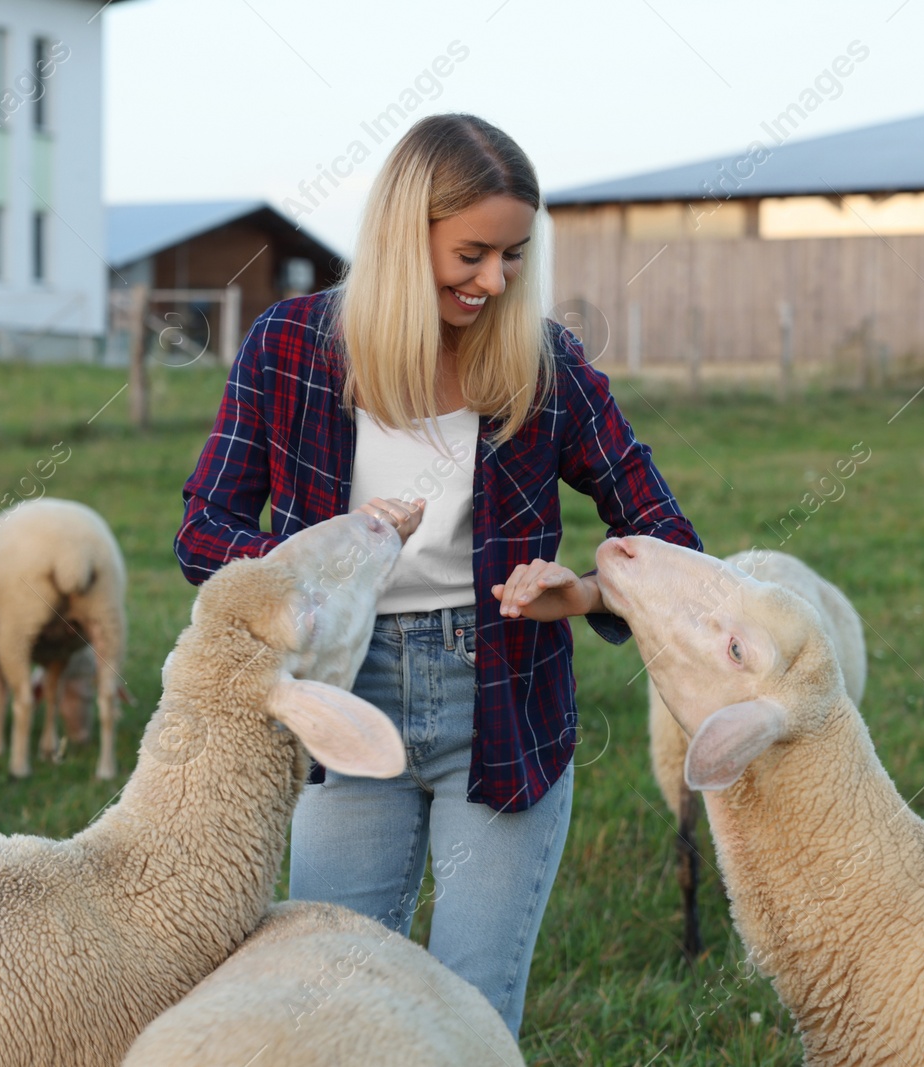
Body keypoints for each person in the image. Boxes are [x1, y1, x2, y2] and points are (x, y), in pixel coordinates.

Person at [174, 112, 700, 1037]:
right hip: (344, 701)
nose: (494, 281)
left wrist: (579, 593)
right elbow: (203, 530)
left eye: (513, 256)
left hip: (499, 705)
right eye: (472, 253)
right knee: (328, 1010)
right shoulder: (289, 346)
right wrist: (328, 549)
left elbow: (663, 533)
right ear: (403, 230)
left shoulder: (547, 366)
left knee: (469, 1016)